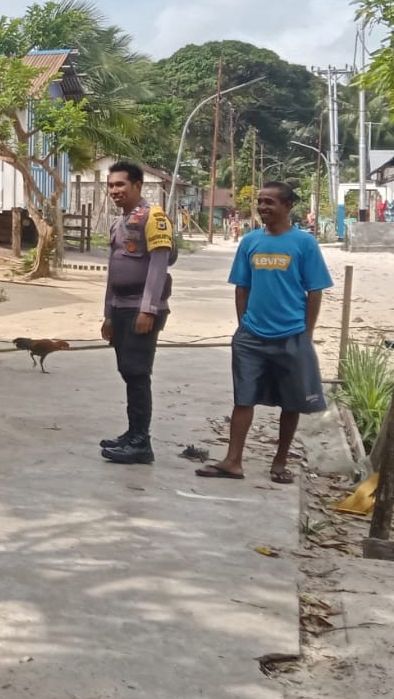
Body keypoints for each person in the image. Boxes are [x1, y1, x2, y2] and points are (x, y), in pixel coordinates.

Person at [197, 181, 331, 485]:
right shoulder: (249, 242)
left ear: (286, 206)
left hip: (292, 335)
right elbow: (241, 287)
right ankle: (233, 461)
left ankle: (280, 462)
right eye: (260, 201)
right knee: (243, 398)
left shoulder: (304, 244)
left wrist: (305, 334)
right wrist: (243, 326)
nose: (262, 207)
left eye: (270, 202)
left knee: (292, 402)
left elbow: (315, 292)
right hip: (252, 337)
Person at [99, 160, 177, 465]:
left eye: (121, 185)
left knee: (138, 373)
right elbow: (112, 271)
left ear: (137, 186)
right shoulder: (119, 222)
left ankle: (141, 443)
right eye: (111, 185)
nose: (115, 190)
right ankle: (132, 434)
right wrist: (107, 313)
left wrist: (148, 309)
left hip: (140, 309)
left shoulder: (154, 218)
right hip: (120, 307)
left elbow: (158, 266)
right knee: (128, 371)